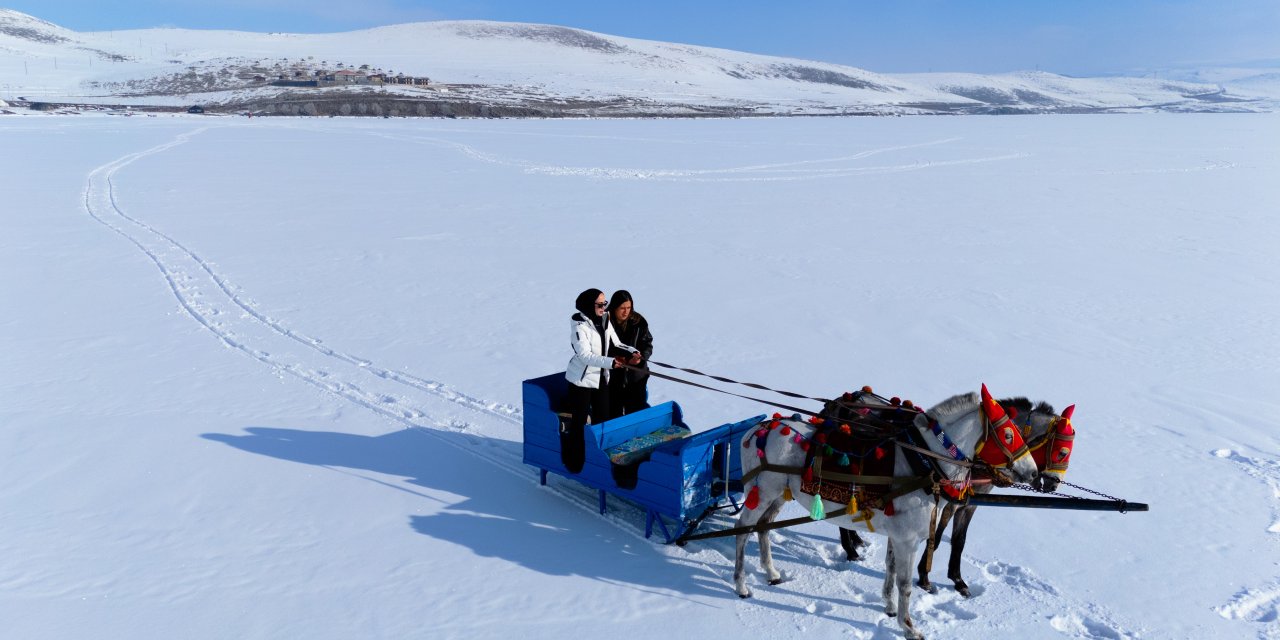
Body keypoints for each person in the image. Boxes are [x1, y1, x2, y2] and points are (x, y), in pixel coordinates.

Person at [562, 288, 640, 473]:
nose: (604, 307)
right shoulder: (580, 327)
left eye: (605, 304)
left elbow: (616, 343)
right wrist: (611, 362)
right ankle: (575, 462)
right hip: (581, 381)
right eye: (600, 304)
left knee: (603, 419)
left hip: (600, 378)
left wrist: (631, 351)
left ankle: (599, 462)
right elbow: (585, 356)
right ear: (589, 305)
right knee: (579, 423)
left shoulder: (604, 319)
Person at [606, 290, 653, 418]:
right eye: (622, 308)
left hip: (636, 374)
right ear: (614, 307)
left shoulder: (639, 322)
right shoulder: (605, 322)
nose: (626, 312)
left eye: (629, 307)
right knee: (613, 411)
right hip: (612, 374)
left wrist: (641, 357)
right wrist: (614, 359)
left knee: (636, 409)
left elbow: (647, 344)